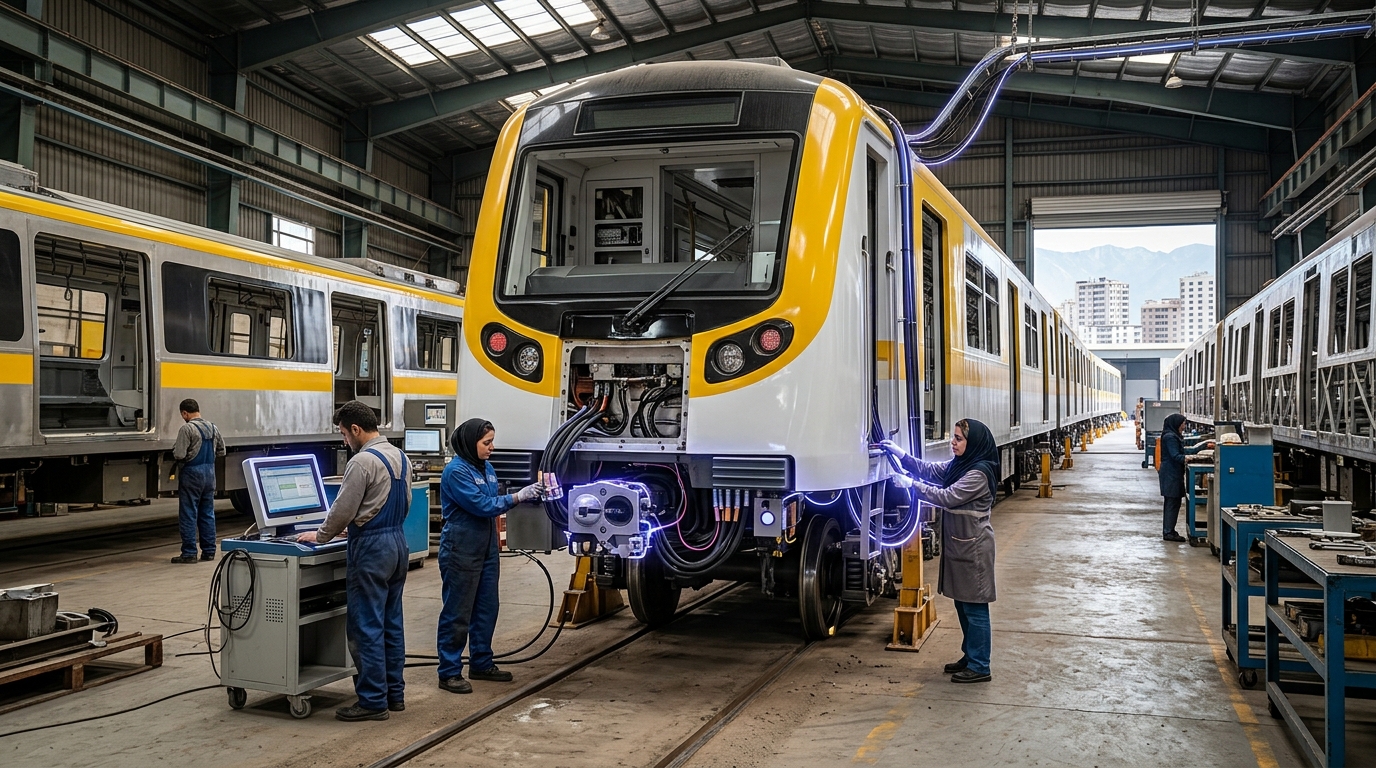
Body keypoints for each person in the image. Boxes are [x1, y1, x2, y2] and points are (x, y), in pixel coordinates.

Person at [295, 401, 410, 721]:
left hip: (372, 549)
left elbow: (342, 509)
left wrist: (320, 536)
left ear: (356, 430)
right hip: (397, 544)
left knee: (366, 627)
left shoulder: (362, 462)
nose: (345, 440)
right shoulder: (400, 456)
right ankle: (393, 694)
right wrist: (366, 521)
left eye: (345, 434)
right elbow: (402, 501)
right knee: (391, 623)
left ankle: (373, 701)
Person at [880, 419, 999, 684]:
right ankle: (970, 656)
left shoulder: (978, 473)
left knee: (975, 607)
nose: (952, 443)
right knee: (962, 603)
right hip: (962, 544)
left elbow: (947, 496)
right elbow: (932, 470)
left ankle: (981, 665)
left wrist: (911, 485)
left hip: (975, 548)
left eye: (958, 439)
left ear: (973, 443)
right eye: (953, 437)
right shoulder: (960, 465)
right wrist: (902, 456)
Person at [435, 419, 544, 694]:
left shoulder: (487, 468)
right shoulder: (456, 472)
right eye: (486, 443)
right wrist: (517, 497)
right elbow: (482, 505)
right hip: (460, 546)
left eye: (492, 441)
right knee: (457, 611)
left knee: (486, 608)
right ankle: (449, 672)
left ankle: (481, 663)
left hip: (485, 547)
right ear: (470, 443)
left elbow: (492, 500)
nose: (491, 447)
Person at [170, 399, 225, 564]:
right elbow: (222, 451)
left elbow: (179, 454)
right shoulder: (213, 428)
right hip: (209, 474)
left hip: (192, 474)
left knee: (188, 513)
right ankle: (209, 552)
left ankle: (189, 553)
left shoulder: (187, 429)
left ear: (185, 413)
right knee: (207, 513)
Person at [1158, 413, 1212, 542]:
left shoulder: (1173, 436)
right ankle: (1168, 532)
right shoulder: (1170, 437)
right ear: (1176, 423)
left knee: (1173, 502)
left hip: (1173, 473)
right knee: (1172, 502)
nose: (1184, 426)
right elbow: (1176, 456)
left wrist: (1200, 448)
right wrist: (1189, 458)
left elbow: (1182, 451)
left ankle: (1169, 530)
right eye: (1182, 423)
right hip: (1170, 474)